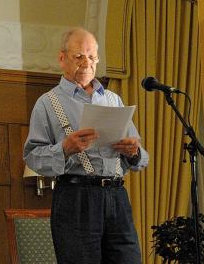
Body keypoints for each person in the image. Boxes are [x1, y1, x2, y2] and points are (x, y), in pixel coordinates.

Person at [23, 28, 149, 264]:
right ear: (62, 59)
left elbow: (142, 158)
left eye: (92, 57)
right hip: (76, 198)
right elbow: (32, 156)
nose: (87, 63)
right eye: (79, 56)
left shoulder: (113, 99)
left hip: (116, 197)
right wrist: (64, 149)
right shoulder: (47, 103)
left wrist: (134, 152)